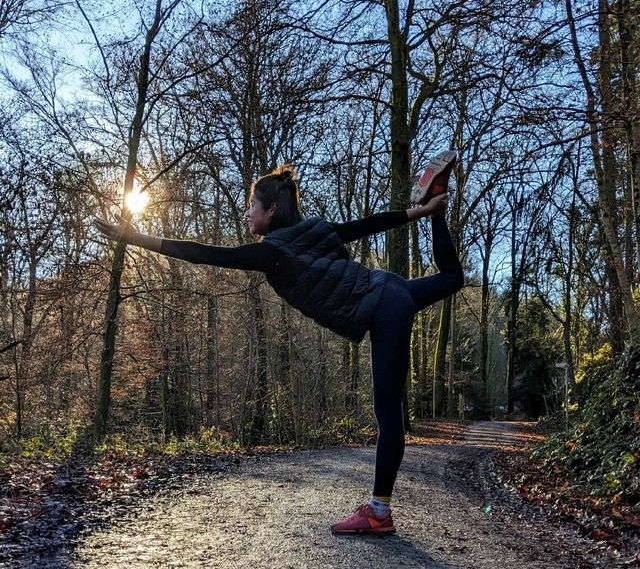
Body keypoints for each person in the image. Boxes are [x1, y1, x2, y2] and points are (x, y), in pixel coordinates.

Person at [93, 150, 464, 535]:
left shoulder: (273, 253)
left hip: (385, 309)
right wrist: (419, 213)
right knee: (452, 278)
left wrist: (136, 238)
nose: (247, 213)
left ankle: (378, 513)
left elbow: (202, 254)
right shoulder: (315, 230)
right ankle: (435, 210)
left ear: (270, 209)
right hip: (391, 289)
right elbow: (366, 225)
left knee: (388, 416)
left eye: (251, 206)